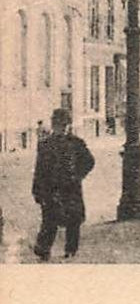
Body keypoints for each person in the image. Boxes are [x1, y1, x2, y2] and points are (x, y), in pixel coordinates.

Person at [33, 108, 95, 261]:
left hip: (71, 188)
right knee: (49, 219)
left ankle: (70, 250)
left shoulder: (76, 143)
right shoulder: (45, 144)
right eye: (58, 124)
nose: (61, 127)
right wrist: (37, 190)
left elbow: (89, 161)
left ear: (68, 125)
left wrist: (78, 175)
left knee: (73, 220)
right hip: (50, 188)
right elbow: (39, 169)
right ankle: (43, 248)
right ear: (54, 125)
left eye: (64, 124)